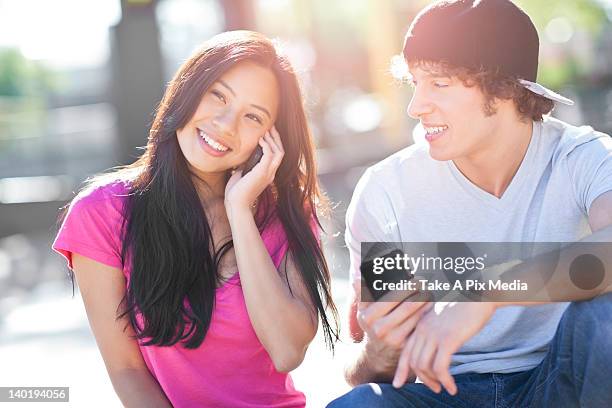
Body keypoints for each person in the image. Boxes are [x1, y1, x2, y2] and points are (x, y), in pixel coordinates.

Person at [328, 0, 612, 407]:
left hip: (558, 380)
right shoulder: (386, 192)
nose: (416, 106)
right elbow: (363, 372)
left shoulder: (582, 158)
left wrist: (487, 293)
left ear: (505, 88)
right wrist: (378, 353)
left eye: (439, 83)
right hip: (439, 392)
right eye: (415, 83)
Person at [53, 30, 338, 408]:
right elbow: (127, 371)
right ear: (188, 89)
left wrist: (240, 212)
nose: (225, 123)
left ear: (270, 138)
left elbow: (287, 351)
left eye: (253, 116)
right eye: (218, 94)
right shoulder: (102, 212)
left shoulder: (286, 211)